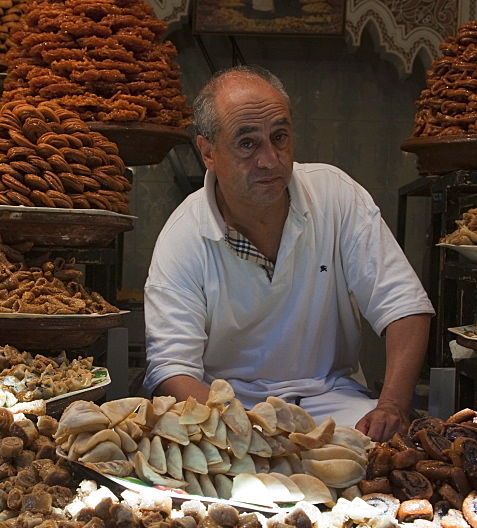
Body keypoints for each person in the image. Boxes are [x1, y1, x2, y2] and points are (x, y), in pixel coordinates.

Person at [143, 65, 435, 441]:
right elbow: (172, 369)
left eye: (279, 137)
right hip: (228, 409)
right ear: (208, 153)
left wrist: (393, 404)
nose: (270, 159)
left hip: (333, 400)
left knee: (382, 459)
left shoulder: (336, 196)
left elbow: (404, 307)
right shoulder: (183, 235)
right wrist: (245, 429)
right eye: (247, 144)